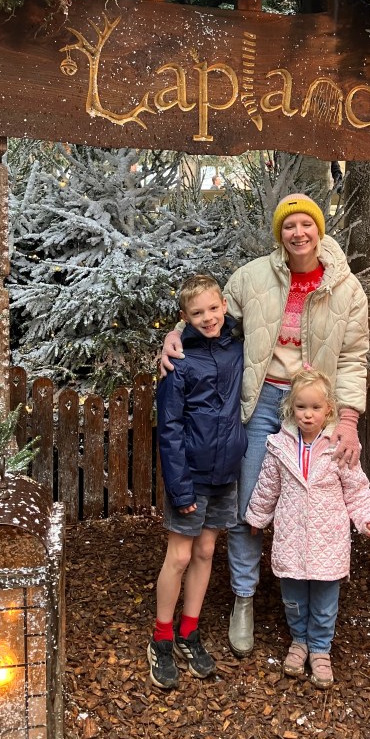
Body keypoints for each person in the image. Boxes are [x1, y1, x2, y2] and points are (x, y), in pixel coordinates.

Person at [161, 193, 369, 657]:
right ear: (280, 232)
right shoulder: (252, 277)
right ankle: (244, 597)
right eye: (289, 225)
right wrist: (174, 334)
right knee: (248, 507)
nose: (298, 233)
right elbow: (206, 315)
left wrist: (349, 418)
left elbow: (355, 357)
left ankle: (313, 605)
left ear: (319, 229)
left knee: (319, 498)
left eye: (306, 224)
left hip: (315, 406)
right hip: (260, 401)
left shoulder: (346, 288)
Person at [245, 367, 370, 687]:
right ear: (290, 408)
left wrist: (369, 519)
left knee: (324, 601)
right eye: (301, 407)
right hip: (291, 539)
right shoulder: (278, 446)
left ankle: (321, 649)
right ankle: (299, 641)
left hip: (328, 540)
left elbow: (356, 490)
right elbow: (268, 487)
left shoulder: (339, 447)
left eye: (316, 408)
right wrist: (257, 517)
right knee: (293, 598)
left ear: (329, 410)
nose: (308, 415)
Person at [148, 274, 247, 690]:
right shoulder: (178, 361)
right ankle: (162, 637)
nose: (207, 318)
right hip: (190, 474)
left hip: (226, 472)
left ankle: (190, 630)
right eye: (196, 313)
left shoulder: (239, 345)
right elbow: (168, 428)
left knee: (206, 550)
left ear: (224, 305)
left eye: (212, 308)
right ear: (184, 318)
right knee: (180, 555)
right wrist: (180, 486)